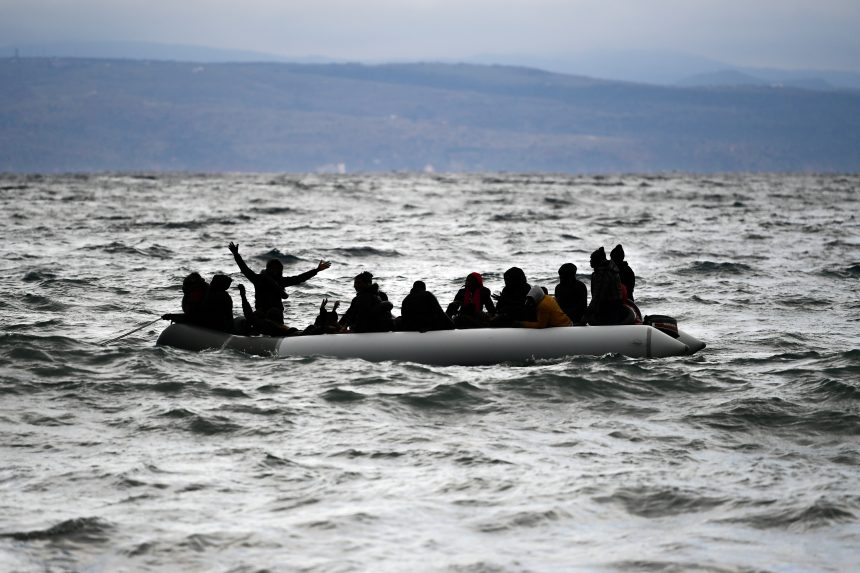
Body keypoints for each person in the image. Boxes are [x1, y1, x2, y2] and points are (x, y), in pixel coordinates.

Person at [228, 242, 330, 324]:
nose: (275, 271)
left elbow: (299, 278)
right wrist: (236, 254)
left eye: (277, 269)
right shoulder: (262, 279)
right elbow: (244, 269)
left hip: (274, 316)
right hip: (263, 316)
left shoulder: (273, 280)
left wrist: (316, 270)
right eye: (274, 269)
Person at [582, 246, 634, 326]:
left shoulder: (603, 274)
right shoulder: (611, 270)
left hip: (609, 311)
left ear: (598, 261)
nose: (590, 262)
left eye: (592, 259)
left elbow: (597, 297)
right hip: (616, 308)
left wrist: (587, 315)